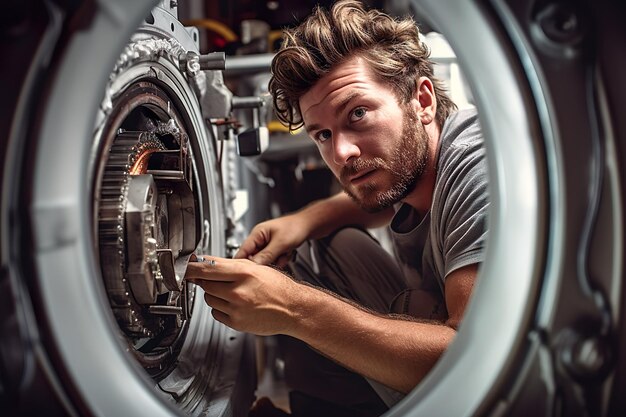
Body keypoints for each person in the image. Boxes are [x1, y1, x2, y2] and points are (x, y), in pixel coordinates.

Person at [185, 1, 488, 415]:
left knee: (312, 287)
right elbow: (382, 199)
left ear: (422, 100)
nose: (341, 151)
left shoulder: (477, 166)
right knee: (326, 245)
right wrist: (303, 220)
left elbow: (473, 364)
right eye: (323, 134)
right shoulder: (417, 168)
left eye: (358, 114)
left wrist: (293, 309)